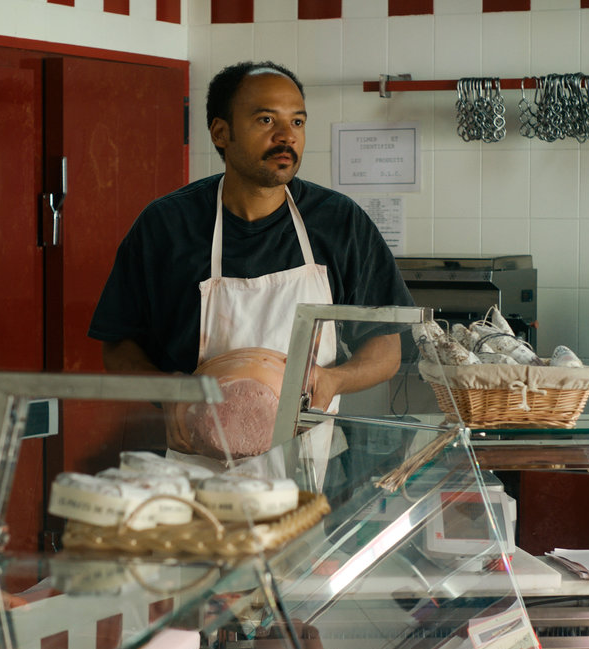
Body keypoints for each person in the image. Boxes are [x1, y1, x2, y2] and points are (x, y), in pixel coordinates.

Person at [88, 61, 413, 468]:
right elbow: (118, 344)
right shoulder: (167, 225)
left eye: (297, 121)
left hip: (305, 466)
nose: (286, 136)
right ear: (221, 133)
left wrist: (336, 379)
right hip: (195, 468)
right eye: (265, 120)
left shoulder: (339, 222)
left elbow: (385, 349)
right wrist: (165, 389)